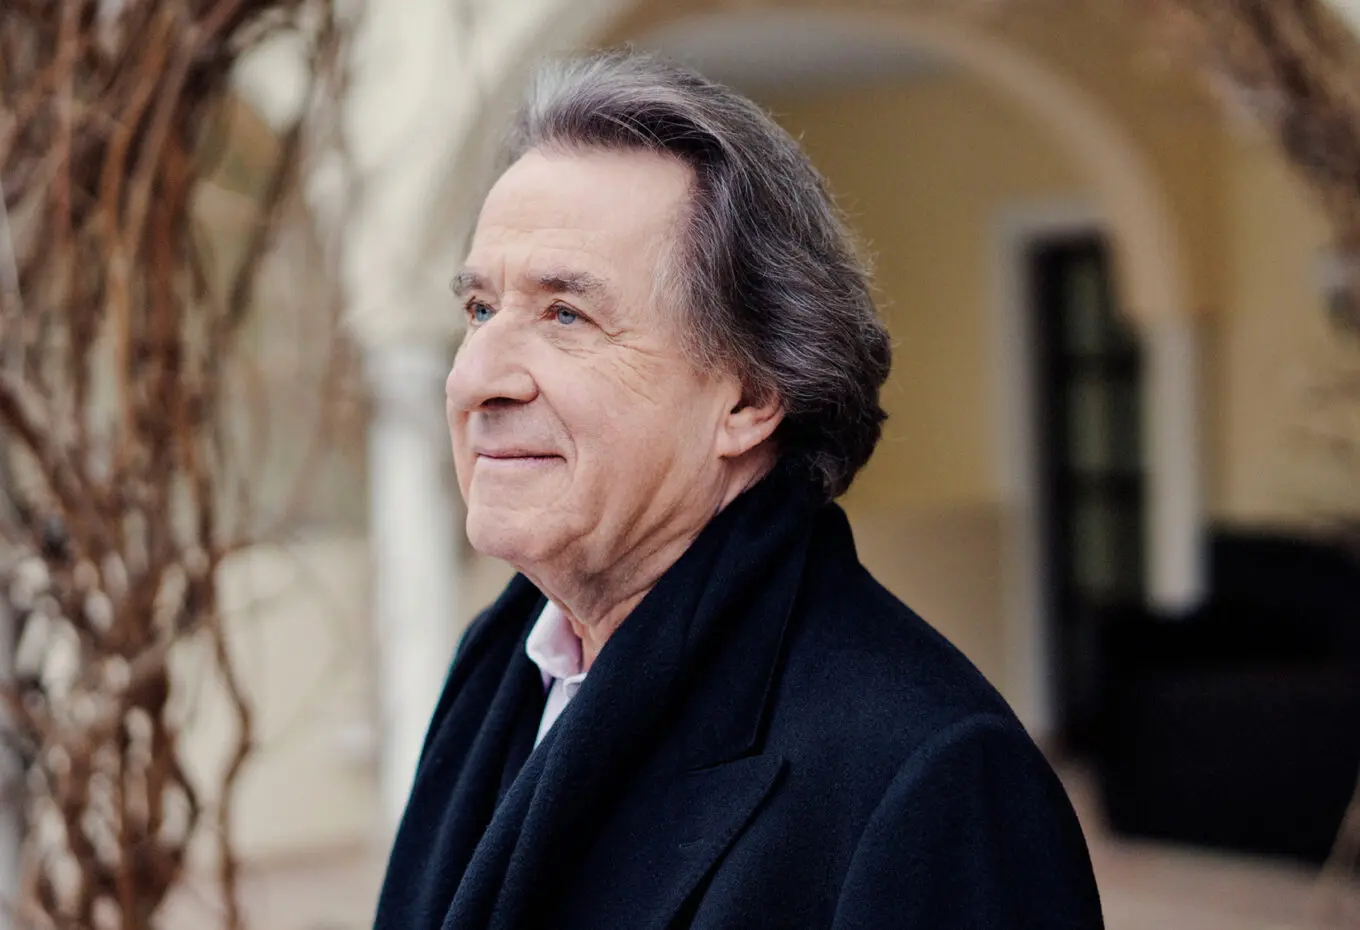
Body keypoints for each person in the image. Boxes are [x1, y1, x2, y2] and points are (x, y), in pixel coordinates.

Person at [372, 49, 1104, 930]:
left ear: (752, 398)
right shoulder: (501, 662)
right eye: (481, 310)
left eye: (566, 314)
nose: (475, 378)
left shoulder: (932, 778)